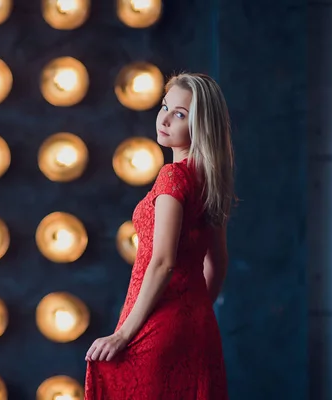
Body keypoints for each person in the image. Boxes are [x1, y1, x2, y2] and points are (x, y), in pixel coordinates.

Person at [84, 72, 235, 399]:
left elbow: (163, 262)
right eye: (164, 107)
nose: (164, 119)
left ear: (200, 126)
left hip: (159, 323)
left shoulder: (174, 177)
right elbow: (218, 263)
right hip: (198, 325)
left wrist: (123, 334)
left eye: (179, 114)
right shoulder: (211, 181)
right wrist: (192, 311)